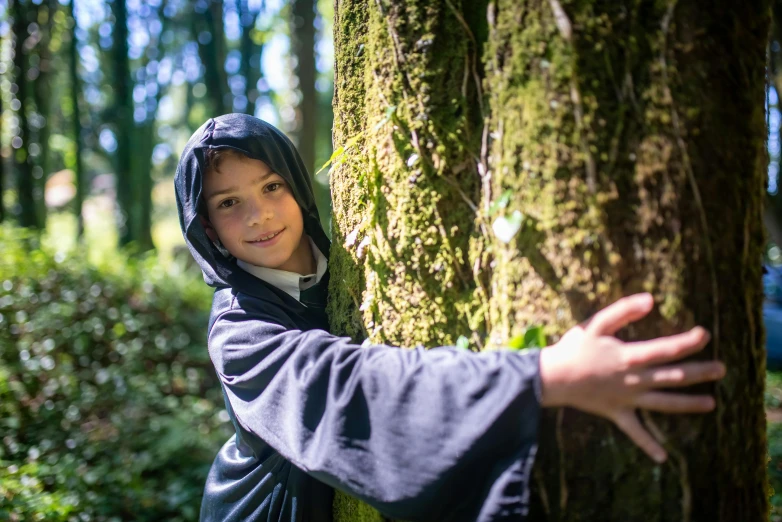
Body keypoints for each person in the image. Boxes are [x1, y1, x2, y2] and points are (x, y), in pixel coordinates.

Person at [174, 113, 725, 521]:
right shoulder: (238, 329)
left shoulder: (355, 259)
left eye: (272, 186)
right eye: (228, 203)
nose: (260, 214)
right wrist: (543, 377)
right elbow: (341, 388)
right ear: (206, 228)